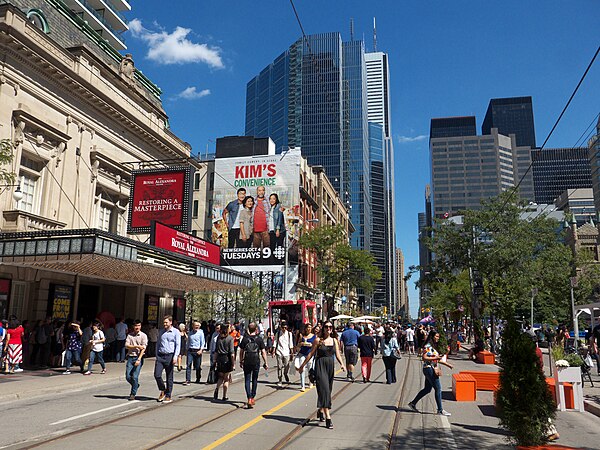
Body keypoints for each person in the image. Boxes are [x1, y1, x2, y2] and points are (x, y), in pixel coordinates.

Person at [297, 321, 345, 429]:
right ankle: (328, 417)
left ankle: (320, 410)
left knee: (327, 390)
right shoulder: (318, 340)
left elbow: (337, 354)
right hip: (320, 366)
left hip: (330, 367)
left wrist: (342, 364)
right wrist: (302, 366)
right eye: (326, 327)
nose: (328, 329)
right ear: (323, 328)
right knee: (325, 391)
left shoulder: (334, 341)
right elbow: (310, 353)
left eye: (330, 327)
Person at [408, 330, 453, 416]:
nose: (438, 338)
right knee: (438, 388)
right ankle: (440, 409)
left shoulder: (432, 346)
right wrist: (435, 357)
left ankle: (413, 403)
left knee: (427, 389)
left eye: (438, 337)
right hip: (429, 369)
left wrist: (448, 364)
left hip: (429, 368)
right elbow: (424, 357)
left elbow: (435, 359)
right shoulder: (428, 346)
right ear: (432, 337)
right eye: (436, 336)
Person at [239, 322, 269, 408]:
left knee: (247, 380)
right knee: (255, 379)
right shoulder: (259, 339)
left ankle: (248, 398)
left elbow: (241, 351)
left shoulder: (245, 339)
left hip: (247, 362)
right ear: (256, 329)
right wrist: (265, 362)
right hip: (256, 362)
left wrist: (241, 361)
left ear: (248, 329)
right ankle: (252, 397)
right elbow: (263, 352)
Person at [154, 315, 181, 404]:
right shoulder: (161, 332)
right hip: (161, 356)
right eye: (164, 322)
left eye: (166, 322)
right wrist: (157, 355)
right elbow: (158, 344)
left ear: (170, 322)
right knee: (157, 375)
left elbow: (178, 345)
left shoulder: (176, 332)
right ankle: (163, 389)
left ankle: (168, 395)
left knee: (169, 377)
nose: (164, 324)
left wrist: (175, 356)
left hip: (170, 356)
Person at [125, 320, 147, 400]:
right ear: (133, 326)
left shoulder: (143, 336)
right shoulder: (130, 335)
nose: (137, 327)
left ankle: (133, 393)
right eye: (135, 326)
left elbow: (143, 348)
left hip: (138, 357)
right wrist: (136, 346)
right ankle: (136, 385)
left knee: (135, 376)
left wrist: (139, 359)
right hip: (130, 357)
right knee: (127, 376)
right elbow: (126, 345)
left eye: (139, 325)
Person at [214, 323, 234, 401]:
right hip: (227, 359)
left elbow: (216, 351)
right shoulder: (230, 338)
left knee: (220, 377)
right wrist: (233, 363)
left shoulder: (219, 338)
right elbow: (232, 352)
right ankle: (224, 396)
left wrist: (214, 360)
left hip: (220, 359)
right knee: (226, 379)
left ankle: (217, 388)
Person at [295, 323, 316, 391]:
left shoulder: (314, 336)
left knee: (310, 369)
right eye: (307, 327)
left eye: (310, 327)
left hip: (310, 354)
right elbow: (298, 345)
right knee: (302, 368)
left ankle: (310, 382)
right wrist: (301, 344)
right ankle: (302, 385)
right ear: (305, 329)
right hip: (302, 354)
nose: (308, 329)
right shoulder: (302, 336)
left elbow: (316, 345)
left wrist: (311, 345)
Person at [184, 321, 205, 385]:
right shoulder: (190, 333)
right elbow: (188, 342)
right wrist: (186, 350)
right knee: (188, 365)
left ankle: (198, 378)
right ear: (192, 326)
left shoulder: (201, 333)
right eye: (195, 325)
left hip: (197, 351)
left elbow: (203, 342)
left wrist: (201, 350)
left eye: (197, 326)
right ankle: (188, 380)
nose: (196, 327)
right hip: (190, 351)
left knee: (198, 366)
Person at [274, 320, 294, 387]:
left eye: (285, 327)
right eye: (283, 327)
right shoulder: (278, 333)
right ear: (281, 327)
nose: (284, 329)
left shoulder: (289, 334)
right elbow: (275, 342)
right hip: (279, 351)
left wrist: (292, 353)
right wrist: (273, 351)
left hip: (286, 352)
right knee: (279, 366)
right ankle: (280, 380)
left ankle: (285, 374)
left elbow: (291, 343)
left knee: (286, 365)